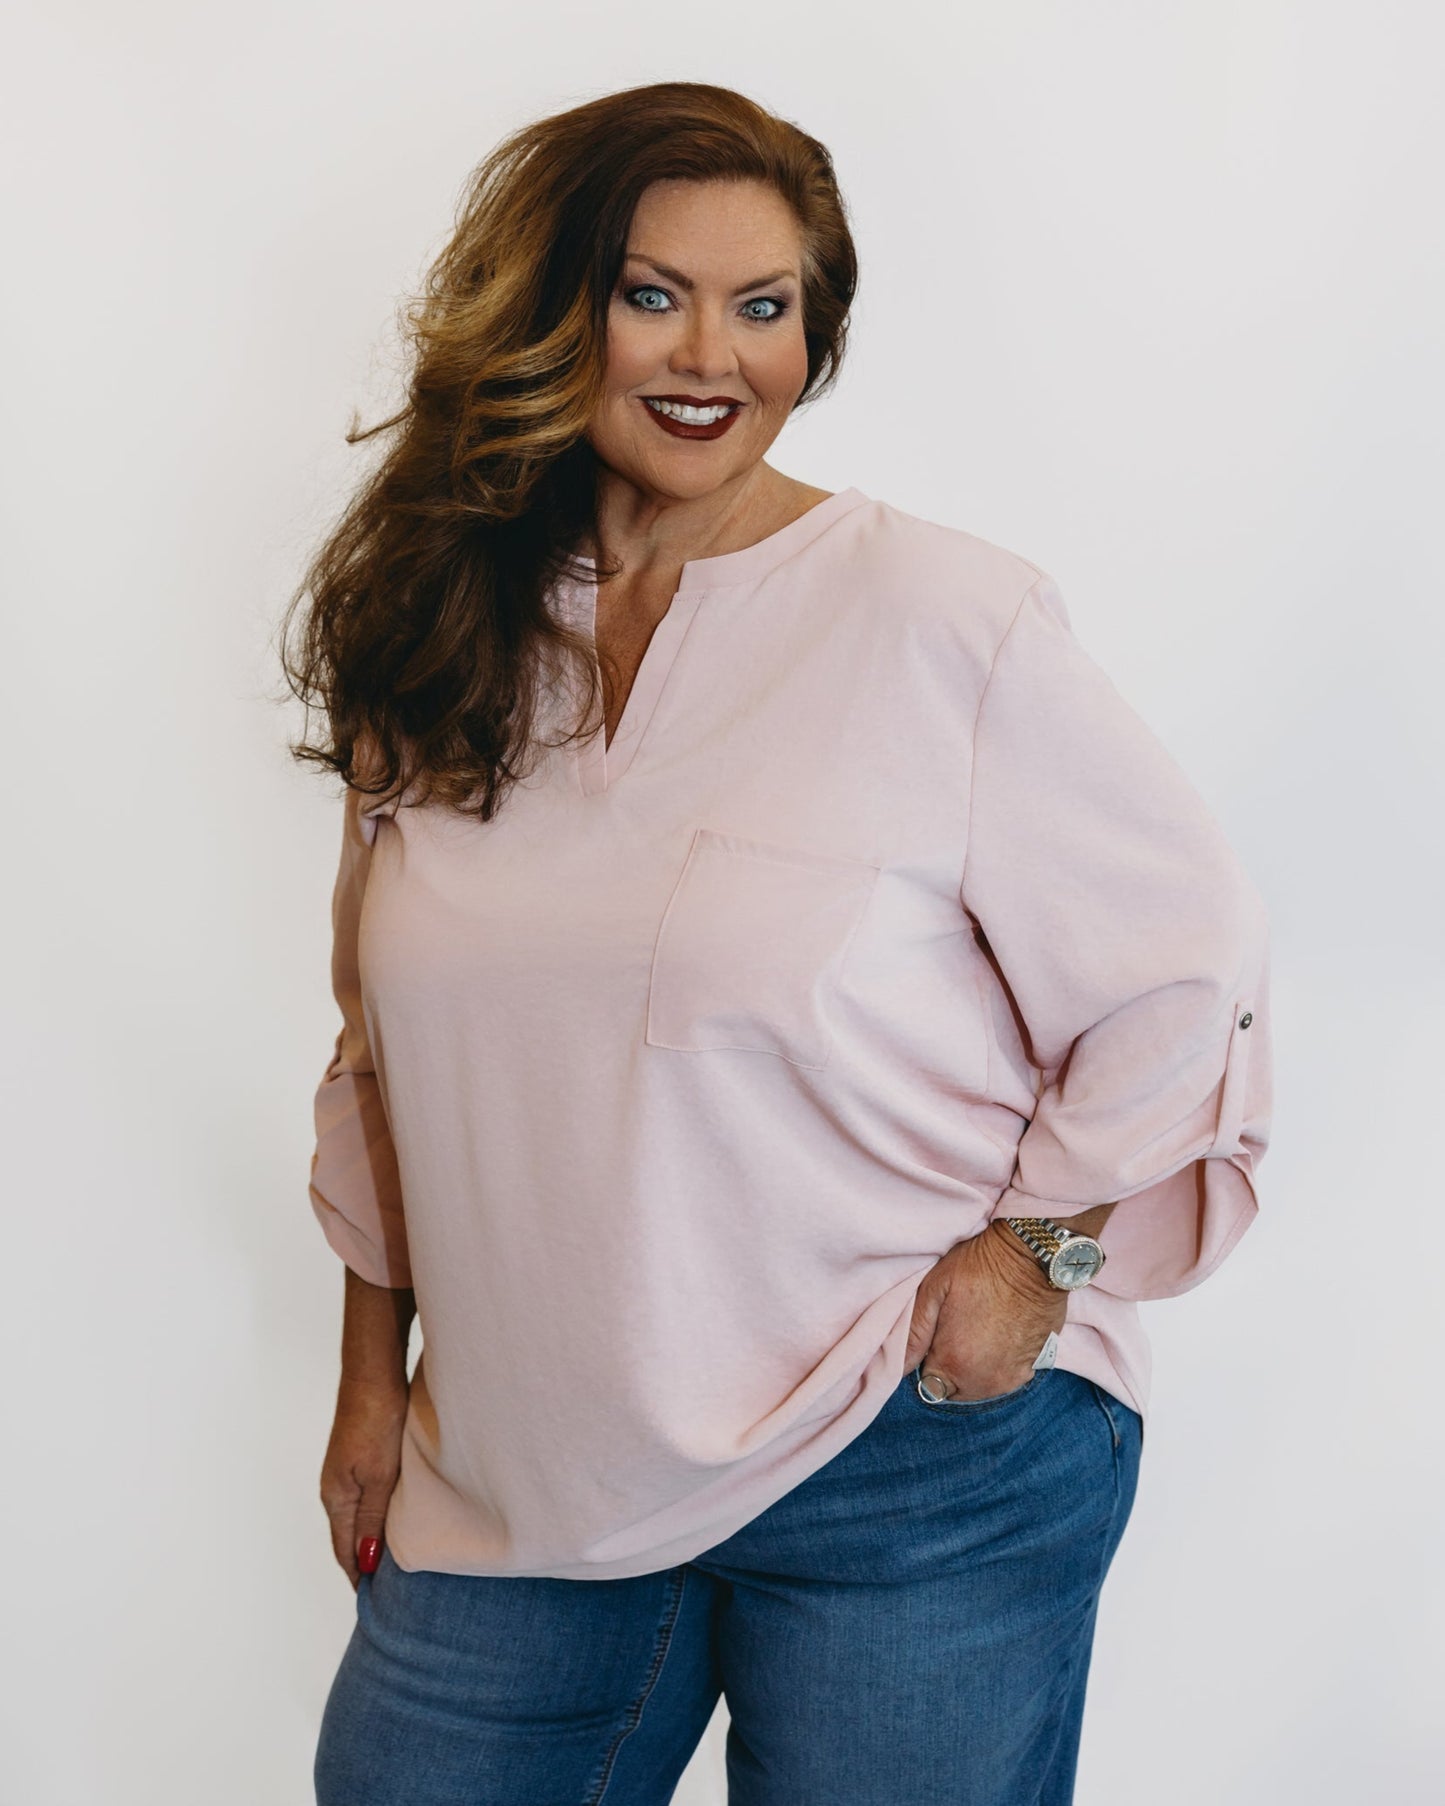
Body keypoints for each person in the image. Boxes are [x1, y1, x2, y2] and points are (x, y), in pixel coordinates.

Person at [286, 80, 1273, 1806]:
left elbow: (1183, 965)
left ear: (815, 338)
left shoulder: (939, 616)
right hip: (521, 1465)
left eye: (764, 306)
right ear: (556, 309)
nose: (710, 355)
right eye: (651, 293)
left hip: (904, 1450)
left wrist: (1031, 1261)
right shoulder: (441, 636)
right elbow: (384, 1061)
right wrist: (375, 1380)